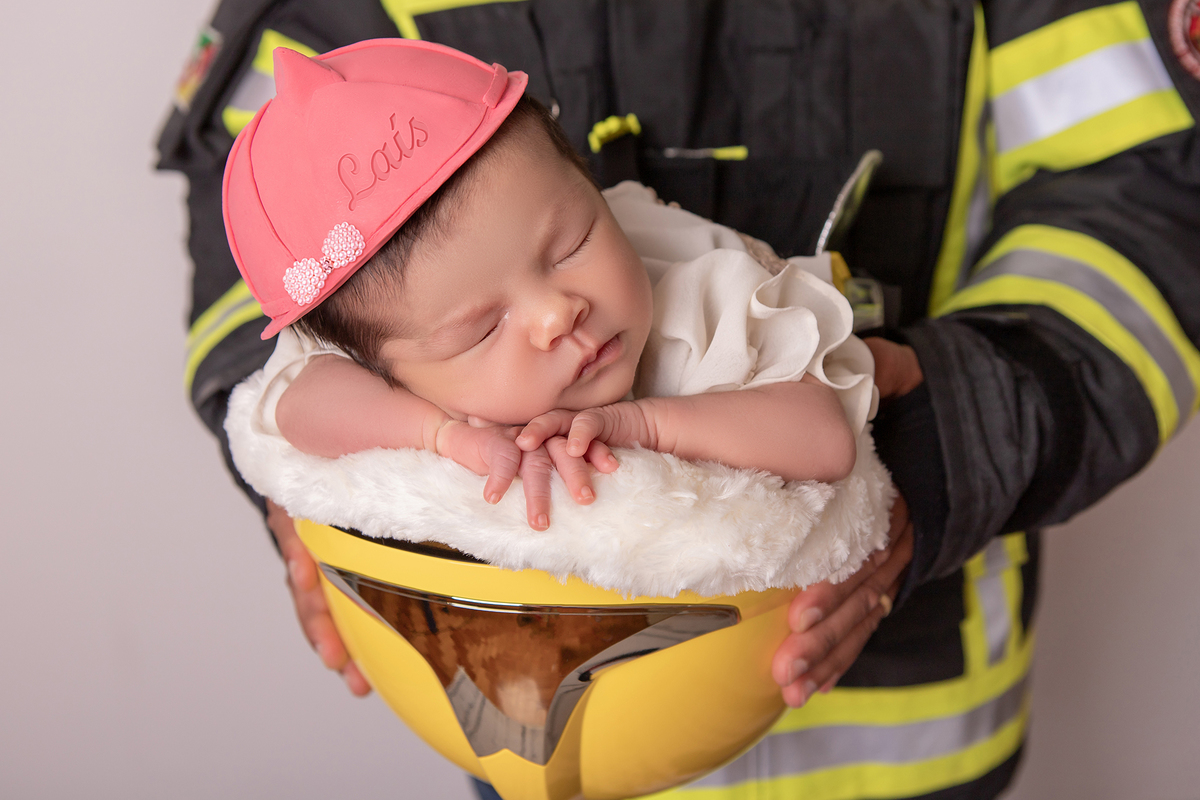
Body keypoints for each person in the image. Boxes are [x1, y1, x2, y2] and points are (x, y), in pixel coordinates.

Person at [156, 1, 1200, 798]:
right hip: (531, 735)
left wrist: (937, 446)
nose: (559, 315)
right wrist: (376, 465)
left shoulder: (722, 297)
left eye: (569, 241)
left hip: (899, 730)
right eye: (474, 330)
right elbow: (268, 308)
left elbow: (1149, 192)